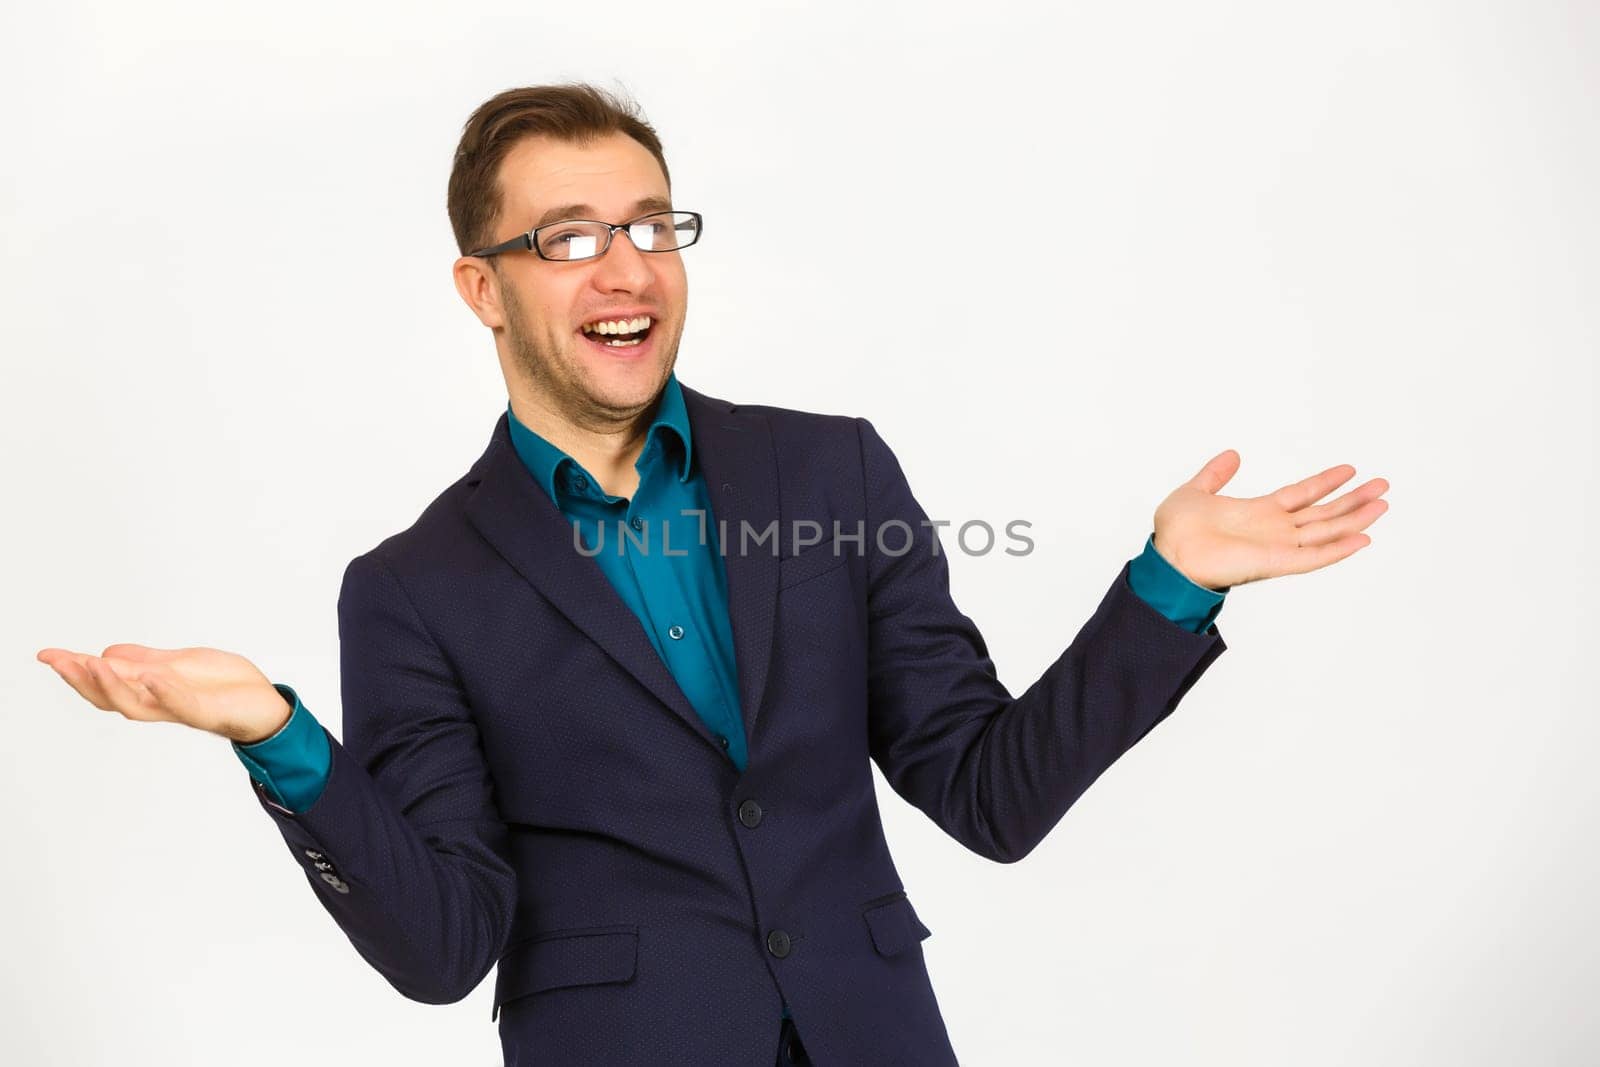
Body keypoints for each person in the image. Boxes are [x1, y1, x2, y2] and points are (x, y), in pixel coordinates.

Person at [36, 83, 1390, 1066]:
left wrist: (1164, 585)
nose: (625, 267)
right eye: (567, 236)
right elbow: (444, 944)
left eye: (650, 225)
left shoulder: (833, 475)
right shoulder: (411, 587)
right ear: (480, 288)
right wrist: (277, 737)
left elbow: (991, 793)